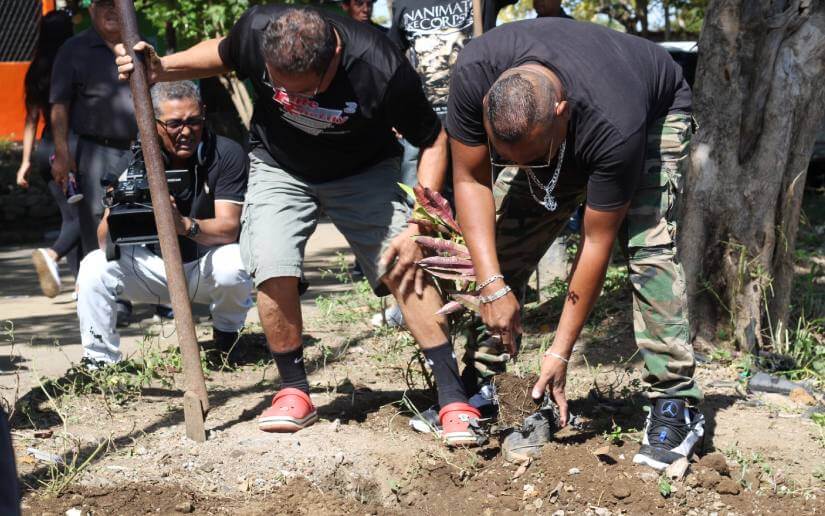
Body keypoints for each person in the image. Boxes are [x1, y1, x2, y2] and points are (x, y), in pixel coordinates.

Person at [115, 7, 485, 446]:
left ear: (335, 56)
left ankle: (451, 395)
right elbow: (222, 53)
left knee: (403, 263)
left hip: (363, 171)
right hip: (280, 166)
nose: (297, 97)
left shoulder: (381, 67)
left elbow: (433, 139)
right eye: (280, 84)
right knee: (271, 263)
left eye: (307, 89)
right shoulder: (258, 29)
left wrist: (418, 220)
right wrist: (162, 67)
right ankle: (294, 389)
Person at [447, 18, 704, 469]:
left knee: (648, 250)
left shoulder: (614, 124)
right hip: (561, 126)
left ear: (562, 113)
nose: (517, 167)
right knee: (504, 247)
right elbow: (470, 178)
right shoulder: (474, 75)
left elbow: (596, 241)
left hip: (652, 115)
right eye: (506, 158)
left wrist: (560, 350)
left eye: (531, 157)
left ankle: (675, 402)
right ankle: (485, 381)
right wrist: (491, 284)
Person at [76, 81, 253, 365]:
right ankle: (99, 362)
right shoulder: (134, 160)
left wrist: (182, 224)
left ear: (204, 114)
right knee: (93, 267)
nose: (186, 131)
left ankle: (227, 338)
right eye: (174, 124)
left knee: (234, 262)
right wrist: (120, 202)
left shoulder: (226, 153)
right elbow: (103, 241)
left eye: (194, 121)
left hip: (204, 265)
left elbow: (229, 228)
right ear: (153, 123)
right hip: (153, 269)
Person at [16, 10, 80, 299]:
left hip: (45, 150)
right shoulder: (73, 63)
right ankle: (51, 255)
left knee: (70, 216)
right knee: (86, 218)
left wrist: (26, 161)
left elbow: (30, 119)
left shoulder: (36, 70)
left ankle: (81, 283)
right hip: (70, 149)